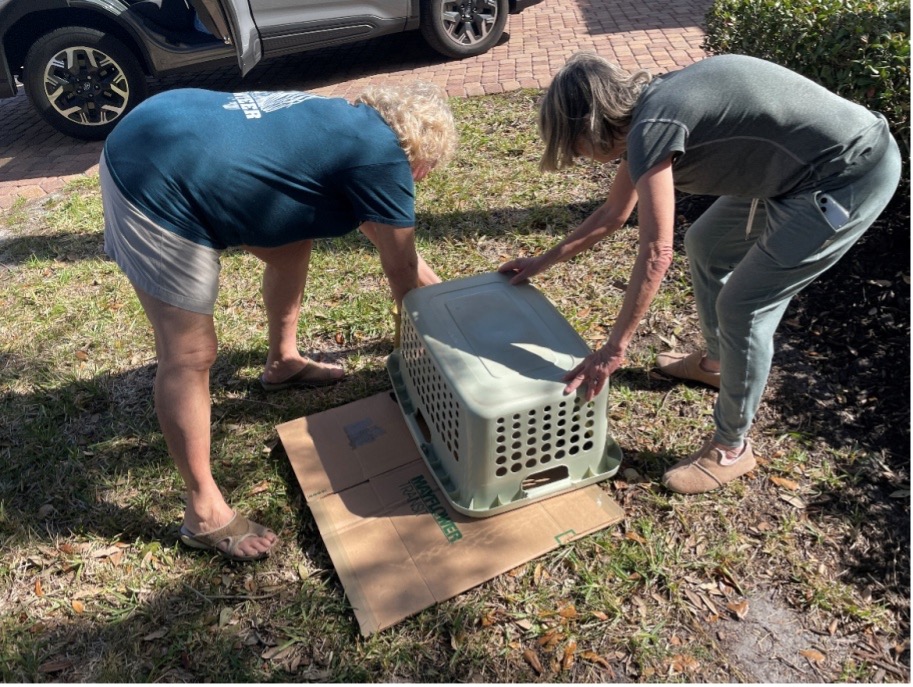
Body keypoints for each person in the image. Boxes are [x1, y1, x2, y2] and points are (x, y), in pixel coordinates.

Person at [499, 52, 901, 495]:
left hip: (847, 175)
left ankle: (731, 448)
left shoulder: (652, 126)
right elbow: (613, 214)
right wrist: (540, 262)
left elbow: (657, 253)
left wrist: (614, 348)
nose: (580, 157)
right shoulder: (648, 113)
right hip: (797, 172)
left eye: (575, 147)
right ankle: (717, 363)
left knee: (744, 307)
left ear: (591, 126)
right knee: (707, 245)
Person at [101, 83, 457, 560]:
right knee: (189, 352)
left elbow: (396, 251)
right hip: (151, 173)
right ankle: (203, 511)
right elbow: (404, 276)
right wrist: (451, 351)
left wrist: (448, 298)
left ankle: (283, 361)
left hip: (171, 120)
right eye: (427, 174)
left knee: (291, 247)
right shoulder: (384, 162)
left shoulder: (351, 125)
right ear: (421, 160)